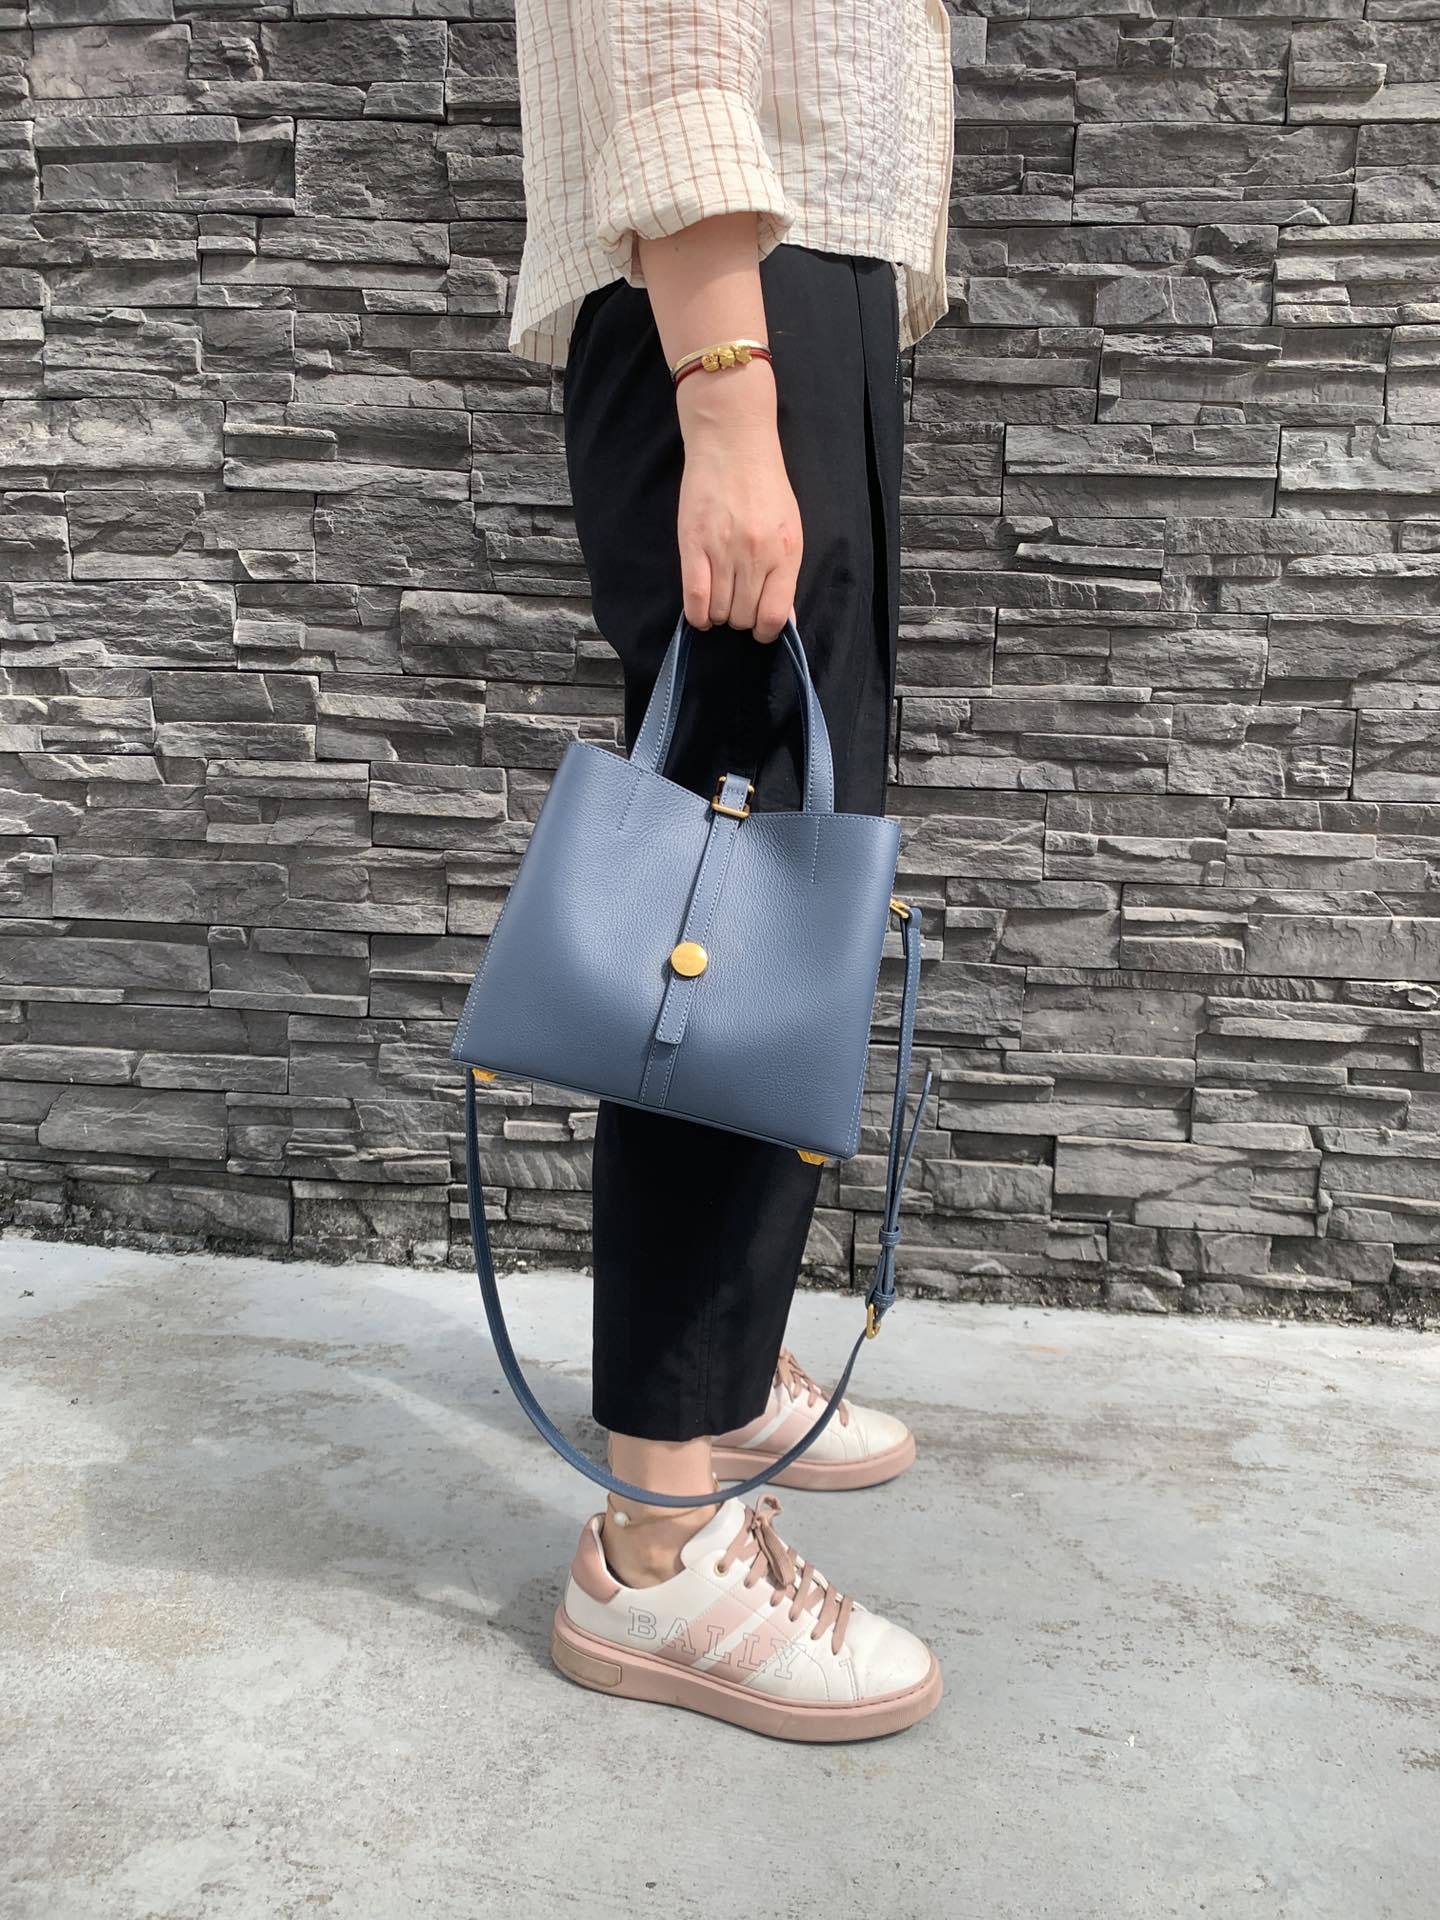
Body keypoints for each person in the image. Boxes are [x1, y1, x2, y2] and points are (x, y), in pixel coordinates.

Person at [506, 0, 956, 1740]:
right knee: (730, 905)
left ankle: (722, 1364)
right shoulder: (726, 327)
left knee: (783, 877)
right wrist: (726, 382)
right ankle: (658, 1541)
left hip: (789, 285)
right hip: (728, 290)